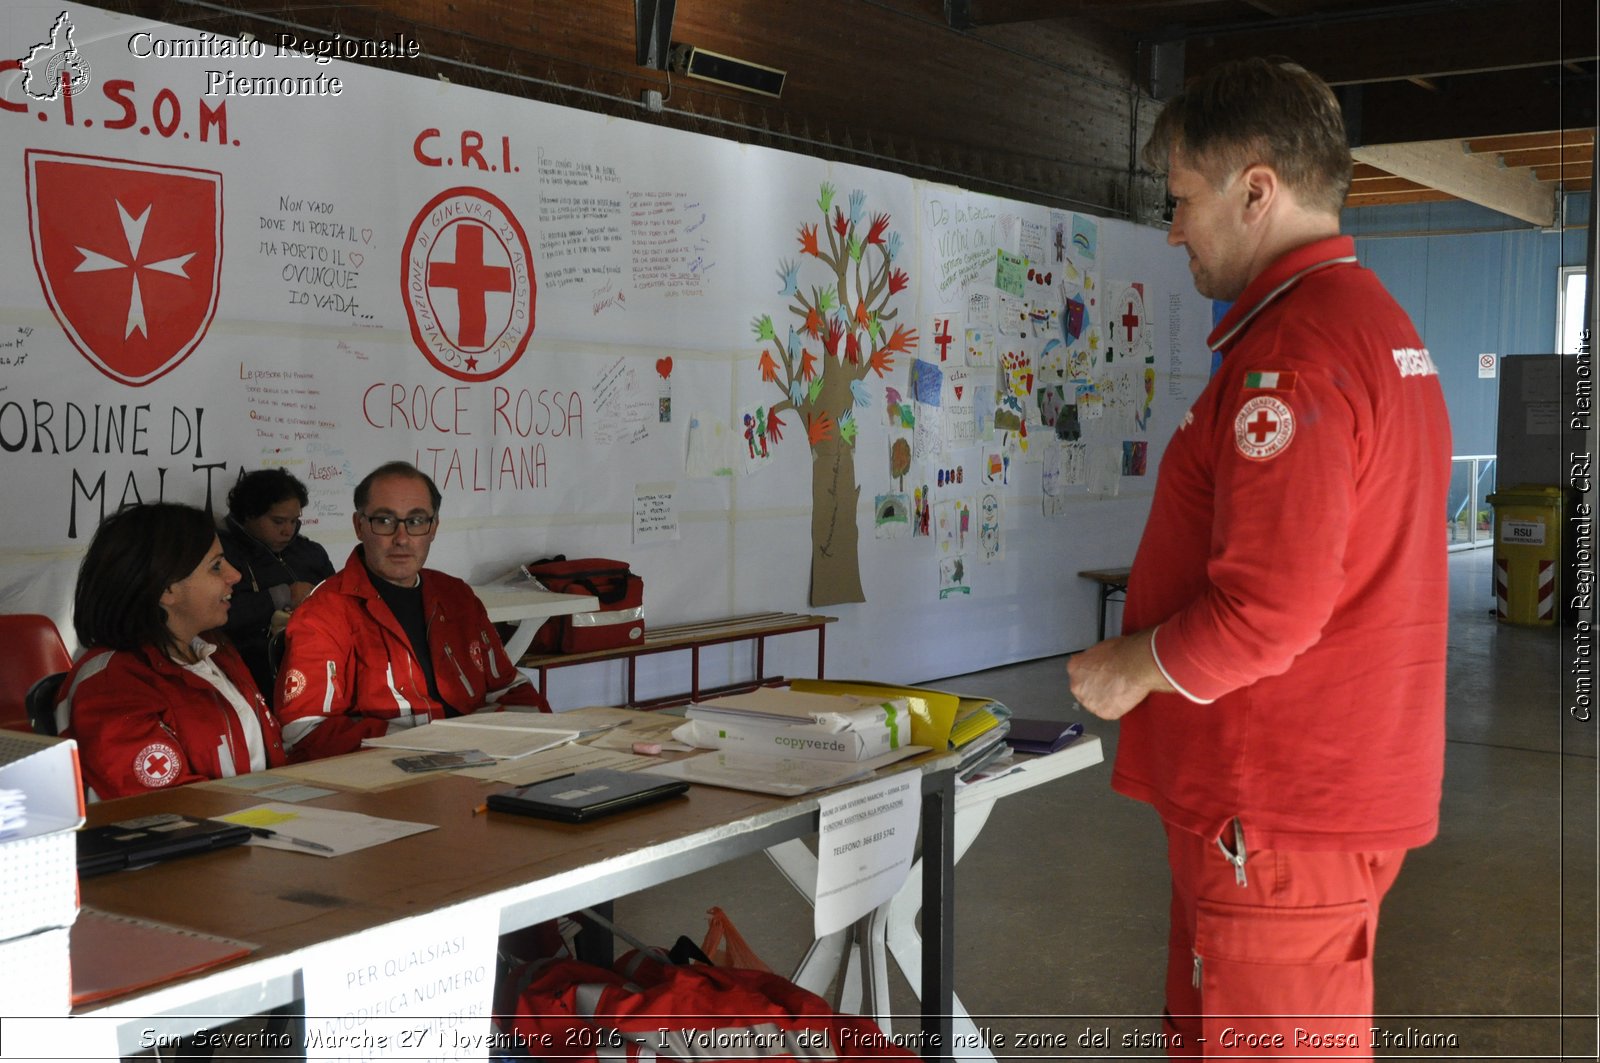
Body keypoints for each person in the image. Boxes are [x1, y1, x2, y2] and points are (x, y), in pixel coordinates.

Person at [1065, 59, 1451, 1057]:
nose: (1174, 228)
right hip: (1295, 804)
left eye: (1183, 198)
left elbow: (1270, 612)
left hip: (1275, 812)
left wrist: (1126, 667)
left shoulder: (1298, 357)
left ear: (1254, 188)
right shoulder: (1372, 329)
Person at [275, 461, 549, 759]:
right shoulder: (324, 613)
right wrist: (434, 743)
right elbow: (303, 733)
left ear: (433, 528)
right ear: (359, 526)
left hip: (480, 761)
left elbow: (512, 690)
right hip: (386, 778)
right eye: (384, 520)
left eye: (416, 521)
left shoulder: (456, 596)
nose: (402, 538)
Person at [54, 503, 289, 800]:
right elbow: (168, 811)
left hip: (259, 829)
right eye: (216, 566)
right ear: (166, 589)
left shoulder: (215, 650)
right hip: (212, 840)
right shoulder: (110, 686)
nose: (235, 576)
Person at [218, 468, 336, 696]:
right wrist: (281, 597)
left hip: (318, 665)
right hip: (252, 675)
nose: (287, 531)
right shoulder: (222, 554)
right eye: (278, 521)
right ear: (249, 514)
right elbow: (218, 617)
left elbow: (341, 602)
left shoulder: (309, 552)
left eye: (294, 521)